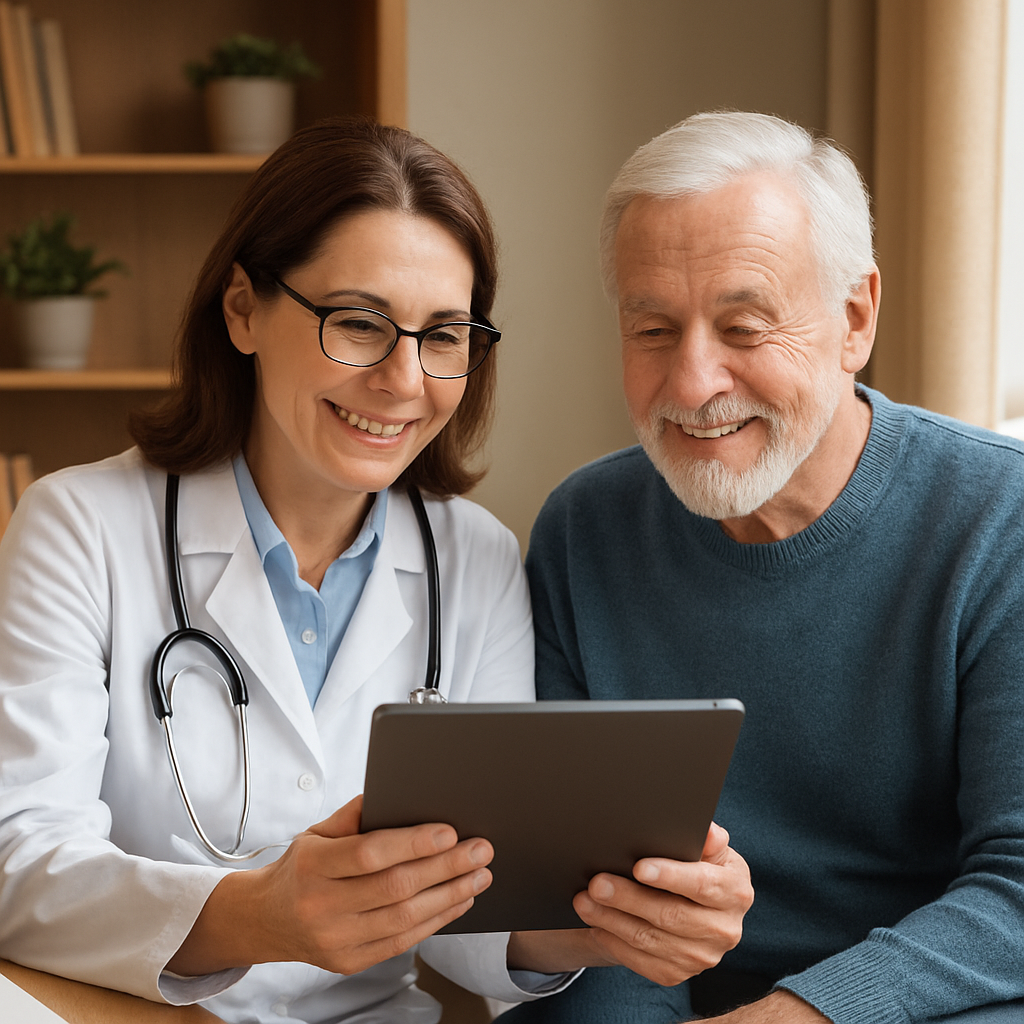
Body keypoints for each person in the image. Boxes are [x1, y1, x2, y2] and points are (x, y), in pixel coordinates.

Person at [0, 118, 753, 1024]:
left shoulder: (474, 558)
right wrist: (260, 915)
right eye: (358, 323)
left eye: (445, 336)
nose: (404, 380)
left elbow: (469, 904)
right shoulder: (79, 527)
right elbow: (18, 863)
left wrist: (609, 924)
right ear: (242, 309)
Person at [509, 112, 1024, 1024]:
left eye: (743, 327)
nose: (692, 383)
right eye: (653, 330)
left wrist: (793, 1015)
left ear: (854, 319)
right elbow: (590, 892)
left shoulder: (1000, 517)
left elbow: (1015, 890)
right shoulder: (584, 530)